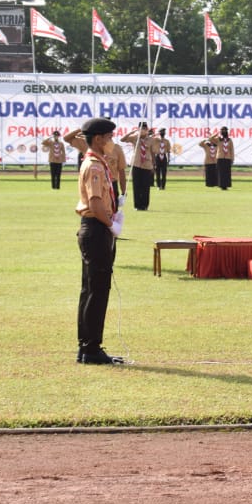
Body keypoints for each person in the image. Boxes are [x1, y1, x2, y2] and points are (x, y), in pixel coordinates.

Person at [74, 117, 124, 365]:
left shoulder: (97, 163)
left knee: (91, 289)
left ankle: (87, 346)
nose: (111, 142)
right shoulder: (94, 166)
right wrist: (111, 224)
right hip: (96, 229)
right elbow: (94, 203)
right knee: (97, 290)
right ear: (98, 139)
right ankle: (91, 348)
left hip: (95, 227)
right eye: (109, 137)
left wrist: (113, 208)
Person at [121, 123, 156, 210]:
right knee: (136, 186)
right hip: (136, 164)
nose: (143, 130)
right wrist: (132, 132)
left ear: (147, 130)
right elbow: (122, 139)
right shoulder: (135, 138)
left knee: (145, 186)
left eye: (144, 128)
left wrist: (153, 165)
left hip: (147, 165)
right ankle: (137, 205)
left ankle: (145, 205)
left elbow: (153, 153)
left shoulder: (151, 140)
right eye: (141, 129)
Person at [209, 126, 234, 190]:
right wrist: (216, 134)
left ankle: (226, 185)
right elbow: (210, 139)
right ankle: (220, 185)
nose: (224, 131)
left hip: (227, 158)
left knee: (227, 173)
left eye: (225, 130)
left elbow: (231, 150)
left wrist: (232, 158)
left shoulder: (229, 140)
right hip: (220, 157)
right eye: (222, 130)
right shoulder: (218, 139)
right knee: (220, 172)